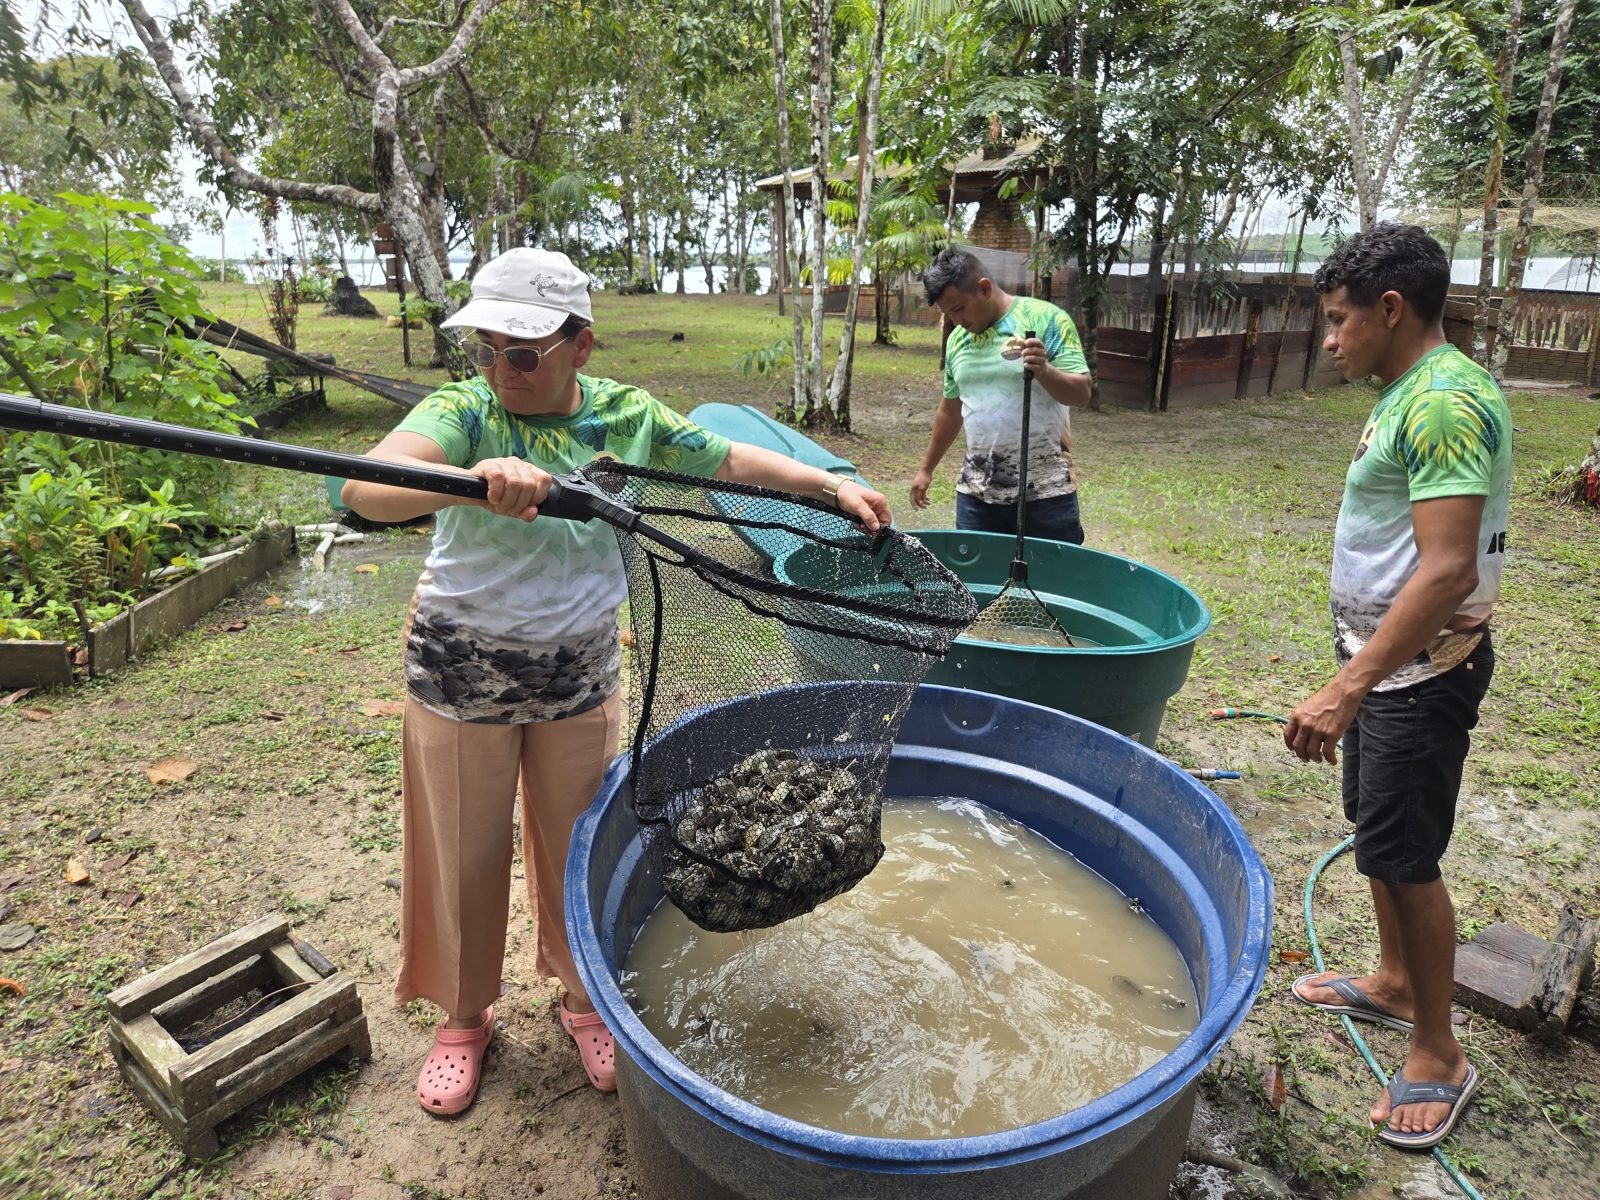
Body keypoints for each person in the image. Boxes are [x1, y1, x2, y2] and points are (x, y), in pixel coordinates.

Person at [341, 247, 891, 1113]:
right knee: (464, 847)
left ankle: (581, 995)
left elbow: (729, 464)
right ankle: (464, 1016)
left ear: (580, 346)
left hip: (581, 672)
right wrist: (473, 479)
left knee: (577, 851)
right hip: (461, 669)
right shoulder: (465, 409)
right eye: (488, 347)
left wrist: (824, 484)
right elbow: (367, 488)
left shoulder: (629, 418)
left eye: (522, 352)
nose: (502, 368)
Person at [1284, 223, 1510, 1151]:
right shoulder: (1407, 391)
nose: (1330, 340)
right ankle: (1392, 981)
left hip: (1418, 675)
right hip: (1387, 669)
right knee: (1378, 838)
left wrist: (1351, 683)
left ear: (1390, 308)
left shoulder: (1447, 402)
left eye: (1340, 322)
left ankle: (1438, 1051)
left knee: (1407, 856)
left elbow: (1449, 569)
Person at [909, 247, 1092, 543]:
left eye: (958, 309)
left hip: (1045, 494)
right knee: (976, 587)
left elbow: (1081, 393)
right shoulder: (957, 341)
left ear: (984, 288)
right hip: (976, 497)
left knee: (1050, 584)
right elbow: (950, 410)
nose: (956, 321)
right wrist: (925, 469)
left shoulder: (1046, 319)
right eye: (947, 314)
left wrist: (1044, 370)